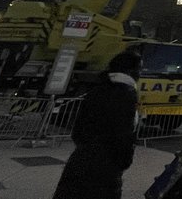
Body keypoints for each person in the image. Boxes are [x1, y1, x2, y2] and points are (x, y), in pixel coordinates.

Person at [53, 50, 141, 199]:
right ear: (131, 70)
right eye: (139, 69)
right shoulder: (125, 95)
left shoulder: (97, 90)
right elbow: (123, 135)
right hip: (105, 168)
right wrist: (123, 160)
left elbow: (78, 130)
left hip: (80, 160)